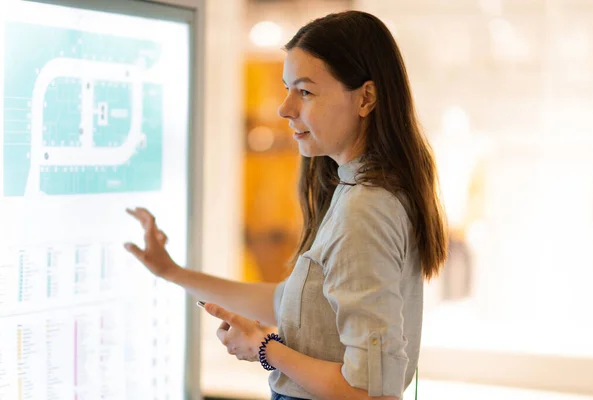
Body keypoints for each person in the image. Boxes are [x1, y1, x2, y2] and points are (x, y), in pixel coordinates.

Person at [125, 10, 447, 400]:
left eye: (305, 91)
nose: (284, 108)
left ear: (366, 98)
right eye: (287, 89)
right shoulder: (356, 192)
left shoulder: (366, 210)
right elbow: (288, 304)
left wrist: (264, 348)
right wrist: (170, 271)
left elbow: (371, 394)